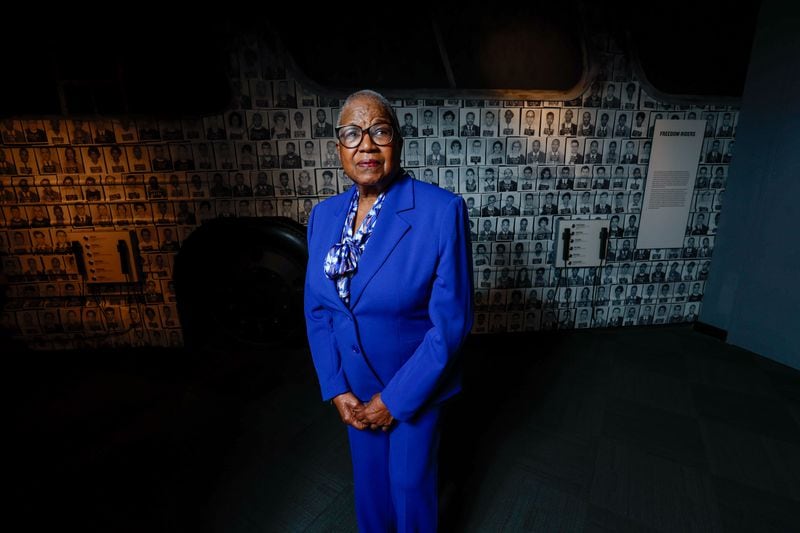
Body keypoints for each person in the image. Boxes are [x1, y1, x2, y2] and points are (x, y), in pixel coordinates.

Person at [303, 90, 473, 532]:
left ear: (397, 141)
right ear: (339, 147)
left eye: (379, 131)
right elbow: (318, 310)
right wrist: (336, 386)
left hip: (412, 385)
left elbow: (451, 324)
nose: (366, 145)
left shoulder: (441, 211)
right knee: (371, 491)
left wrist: (394, 400)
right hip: (354, 390)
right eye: (352, 134)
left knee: (409, 488)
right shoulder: (322, 216)